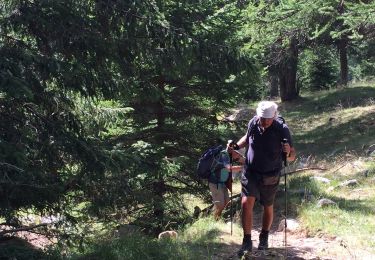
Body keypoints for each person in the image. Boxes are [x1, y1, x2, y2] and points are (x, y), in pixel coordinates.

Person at [228, 101, 296, 257]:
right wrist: (236, 147)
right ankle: (246, 241)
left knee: (267, 205)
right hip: (251, 171)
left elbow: (292, 156)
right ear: (258, 115)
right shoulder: (253, 122)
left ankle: (264, 237)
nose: (264, 121)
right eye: (262, 118)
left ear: (274, 116)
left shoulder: (282, 129)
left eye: (268, 119)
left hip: (271, 174)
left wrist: (287, 152)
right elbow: (247, 138)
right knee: (246, 203)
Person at [208, 145, 244, 220]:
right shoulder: (224, 155)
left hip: (221, 183)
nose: (238, 156)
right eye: (238, 154)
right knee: (220, 205)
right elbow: (228, 169)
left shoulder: (229, 156)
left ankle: (218, 219)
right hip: (215, 183)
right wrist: (242, 168)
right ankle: (215, 222)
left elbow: (243, 160)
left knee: (227, 202)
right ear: (234, 151)